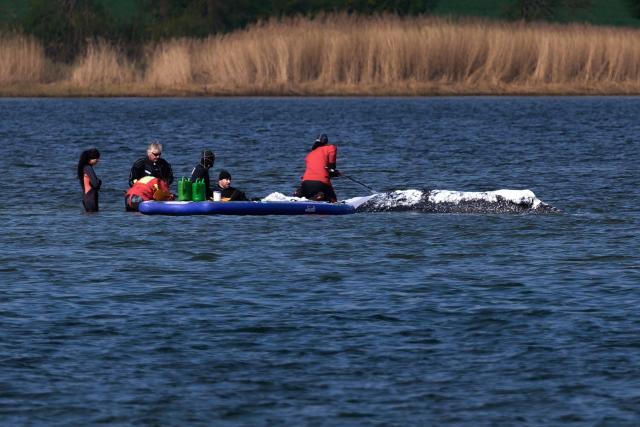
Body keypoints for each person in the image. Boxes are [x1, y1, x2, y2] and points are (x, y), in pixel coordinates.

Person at [298, 133, 340, 202]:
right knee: (333, 200)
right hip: (320, 184)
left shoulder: (310, 153)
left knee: (307, 195)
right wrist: (336, 173)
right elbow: (331, 170)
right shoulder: (331, 148)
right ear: (326, 141)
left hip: (305, 184)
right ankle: (319, 197)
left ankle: (299, 194)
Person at [77, 148, 101, 212]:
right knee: (94, 218)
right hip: (91, 198)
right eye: (97, 158)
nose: (98, 160)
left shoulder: (83, 168)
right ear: (91, 159)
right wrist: (100, 182)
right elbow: (95, 184)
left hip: (86, 197)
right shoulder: (88, 168)